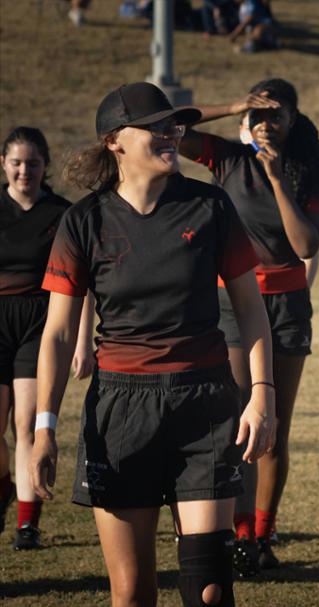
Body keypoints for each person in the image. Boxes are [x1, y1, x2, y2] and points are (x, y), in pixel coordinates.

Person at [29, 82, 275, 607]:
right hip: (121, 410)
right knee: (133, 592)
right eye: (158, 127)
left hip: (204, 403)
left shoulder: (210, 206)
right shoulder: (83, 222)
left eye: (175, 125)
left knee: (208, 587)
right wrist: (44, 426)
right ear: (115, 140)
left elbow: (251, 310)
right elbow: (55, 334)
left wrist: (261, 393)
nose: (172, 135)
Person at [179, 78, 319, 575]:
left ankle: (262, 536)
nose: (267, 123)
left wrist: (278, 179)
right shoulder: (227, 159)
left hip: (286, 304)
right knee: (235, 420)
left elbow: (306, 245)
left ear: (294, 120)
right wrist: (231, 106)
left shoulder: (310, 173)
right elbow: (168, 127)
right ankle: (239, 533)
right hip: (229, 303)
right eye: (259, 114)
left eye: (277, 114)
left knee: (272, 427)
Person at [0, 127, 94, 549]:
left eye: (33, 163)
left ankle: (26, 523)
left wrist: (83, 340)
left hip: (39, 320)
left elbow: (84, 283)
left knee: (26, 424)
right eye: (17, 162)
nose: (25, 171)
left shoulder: (61, 214)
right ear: (3, 164)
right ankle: (6, 487)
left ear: (45, 167)